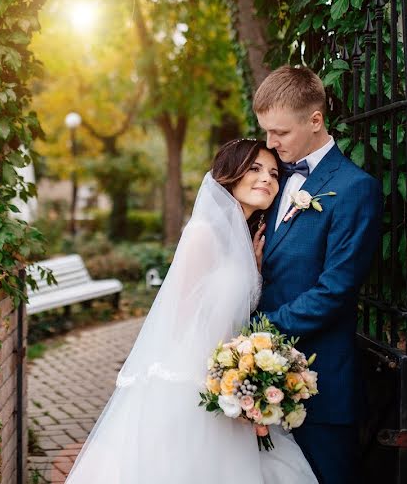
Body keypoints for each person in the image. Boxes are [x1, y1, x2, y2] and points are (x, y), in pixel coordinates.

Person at [64, 139, 317, 484]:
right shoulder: (202, 234)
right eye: (255, 169)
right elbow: (182, 319)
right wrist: (224, 378)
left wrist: (254, 271)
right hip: (194, 379)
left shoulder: (245, 238)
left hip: (228, 379)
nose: (267, 179)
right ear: (230, 174)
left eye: (274, 173)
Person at [255, 66, 383, 484]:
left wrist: (259, 331)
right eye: (266, 131)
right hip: (258, 381)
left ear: (315, 120)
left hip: (321, 384)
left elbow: (336, 290)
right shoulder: (271, 179)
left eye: (280, 133)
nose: (270, 143)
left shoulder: (354, 188)